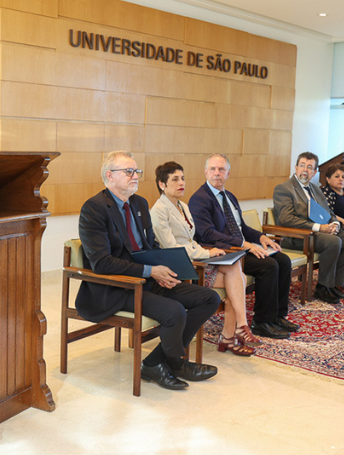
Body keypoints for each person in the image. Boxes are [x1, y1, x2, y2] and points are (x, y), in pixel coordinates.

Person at [76, 151, 220, 391]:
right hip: (116, 287)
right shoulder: (94, 209)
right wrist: (149, 271)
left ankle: (156, 363)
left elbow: (149, 246)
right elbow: (101, 262)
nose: (136, 176)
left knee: (208, 298)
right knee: (174, 311)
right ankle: (176, 362)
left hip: (146, 279)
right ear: (109, 176)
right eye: (129, 172)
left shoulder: (140, 204)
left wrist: (163, 270)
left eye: (137, 171)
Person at [150, 161, 259, 357]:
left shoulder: (183, 206)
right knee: (237, 280)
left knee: (235, 271)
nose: (181, 183)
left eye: (182, 178)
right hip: (179, 265)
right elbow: (171, 248)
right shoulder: (158, 210)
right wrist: (206, 253)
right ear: (161, 184)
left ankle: (235, 331)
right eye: (175, 179)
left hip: (195, 257)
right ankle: (232, 334)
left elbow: (192, 240)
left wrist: (209, 251)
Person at [189, 154, 297, 340]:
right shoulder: (199, 199)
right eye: (213, 169)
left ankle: (278, 316)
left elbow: (242, 228)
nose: (217, 173)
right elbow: (207, 233)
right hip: (225, 253)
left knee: (283, 260)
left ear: (228, 173)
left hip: (241, 248)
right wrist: (244, 245)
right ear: (205, 172)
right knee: (268, 266)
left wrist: (261, 237)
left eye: (221, 169)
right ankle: (262, 322)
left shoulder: (229, 196)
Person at [272, 152, 344, 304]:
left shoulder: (315, 189)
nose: (305, 170)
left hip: (319, 233)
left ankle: (334, 284)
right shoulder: (284, 189)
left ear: (315, 172)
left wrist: (334, 224)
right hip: (296, 236)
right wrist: (319, 227)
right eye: (302, 165)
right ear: (295, 168)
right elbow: (286, 219)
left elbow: (329, 212)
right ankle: (323, 287)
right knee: (333, 242)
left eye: (309, 167)